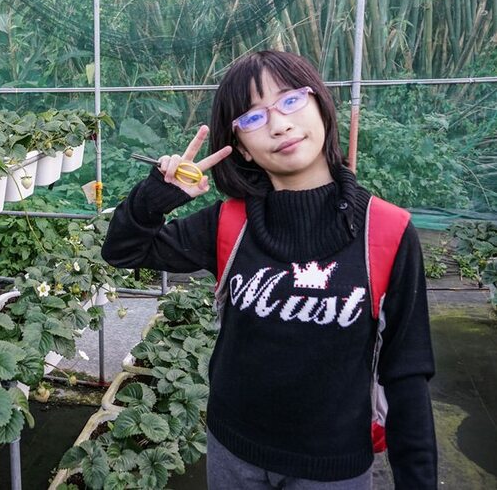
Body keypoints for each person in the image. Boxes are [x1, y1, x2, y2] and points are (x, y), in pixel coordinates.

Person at [101, 50, 436, 489]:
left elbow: (406, 373)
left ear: (320, 104)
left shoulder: (387, 232)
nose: (279, 124)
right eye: (254, 117)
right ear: (241, 145)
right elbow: (123, 250)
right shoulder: (230, 223)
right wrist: (158, 196)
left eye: (291, 100)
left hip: (332, 469)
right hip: (233, 453)